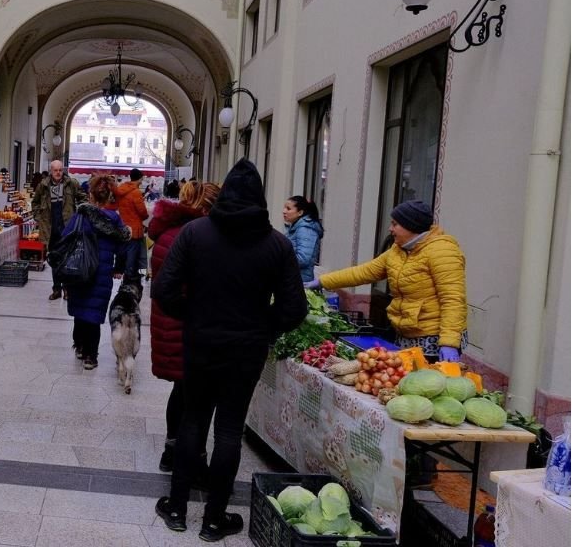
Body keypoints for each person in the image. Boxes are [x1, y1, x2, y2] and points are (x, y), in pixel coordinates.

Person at [152, 160, 307, 541]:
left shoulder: (194, 233)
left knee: (193, 420)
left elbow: (164, 290)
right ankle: (214, 518)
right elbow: (294, 309)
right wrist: (263, 325)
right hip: (246, 348)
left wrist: (192, 316)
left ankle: (176, 507)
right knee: (229, 430)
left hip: (200, 340)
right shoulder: (277, 244)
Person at [306, 200, 467, 362]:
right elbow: (364, 272)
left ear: (411, 226)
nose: (390, 229)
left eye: (395, 224)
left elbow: (453, 300)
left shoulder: (443, 251)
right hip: (406, 332)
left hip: (434, 339)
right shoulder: (398, 250)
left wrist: (449, 343)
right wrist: (323, 281)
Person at [148, 181, 218, 472]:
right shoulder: (199, 237)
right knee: (194, 393)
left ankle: (171, 449)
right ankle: (192, 456)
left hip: (169, 318)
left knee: (181, 389)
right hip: (188, 321)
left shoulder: (166, 232)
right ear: (206, 208)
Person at [65, 175, 131, 369]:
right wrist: (119, 267)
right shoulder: (115, 220)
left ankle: (79, 345)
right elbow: (123, 247)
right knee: (94, 312)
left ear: (91, 195)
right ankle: (90, 356)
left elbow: (66, 238)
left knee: (80, 309)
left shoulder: (81, 216)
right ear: (109, 195)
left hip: (79, 270)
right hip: (102, 272)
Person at [31, 159, 87, 300]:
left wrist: (79, 215)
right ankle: (57, 289)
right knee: (55, 260)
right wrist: (39, 218)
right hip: (51, 230)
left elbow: (83, 198)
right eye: (55, 170)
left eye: (60, 170)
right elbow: (35, 202)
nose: (58, 173)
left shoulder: (71, 183)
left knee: (68, 260)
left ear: (63, 170)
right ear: (51, 171)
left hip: (67, 230)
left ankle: (67, 289)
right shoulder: (43, 186)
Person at [114, 168, 150, 281]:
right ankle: (130, 280)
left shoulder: (121, 190)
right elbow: (143, 213)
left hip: (123, 228)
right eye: (142, 179)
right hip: (135, 230)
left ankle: (121, 273)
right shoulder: (136, 192)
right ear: (139, 179)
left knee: (124, 254)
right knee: (134, 257)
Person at [282, 195, 324, 283]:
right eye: (284, 208)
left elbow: (303, 259)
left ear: (300, 212)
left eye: (288, 209)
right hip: (293, 278)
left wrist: (279, 260)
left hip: (300, 281)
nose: (284, 211)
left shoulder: (305, 229)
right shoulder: (296, 227)